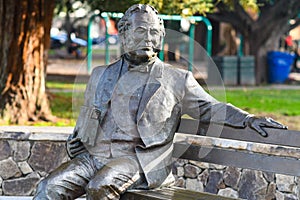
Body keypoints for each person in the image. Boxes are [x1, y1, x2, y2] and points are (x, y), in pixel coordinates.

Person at [34, 4, 287, 200]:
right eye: (140, 30)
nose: (148, 38)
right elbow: (88, 120)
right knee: (49, 187)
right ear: (123, 34)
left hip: (139, 160)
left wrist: (248, 118)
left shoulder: (177, 79)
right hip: (94, 156)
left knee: (101, 185)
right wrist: (78, 139)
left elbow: (212, 108)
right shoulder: (101, 74)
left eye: (154, 32)